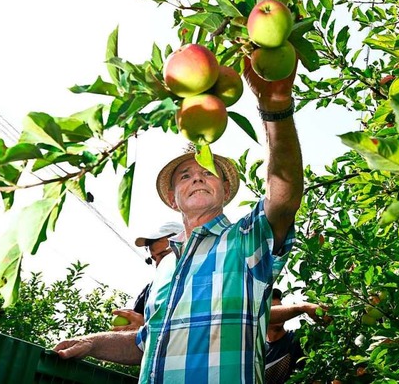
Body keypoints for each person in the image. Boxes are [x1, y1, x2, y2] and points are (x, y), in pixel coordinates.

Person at [54, 57, 303, 384]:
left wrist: (276, 108)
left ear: (225, 190)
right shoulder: (165, 268)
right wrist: (93, 342)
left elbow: (284, 195)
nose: (197, 178)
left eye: (206, 172)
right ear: (173, 198)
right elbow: (149, 342)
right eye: (185, 175)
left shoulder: (245, 240)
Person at [111, 222, 183, 332]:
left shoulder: (209, 281)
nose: (158, 263)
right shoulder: (149, 293)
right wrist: (142, 327)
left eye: (164, 255)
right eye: (154, 259)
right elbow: (135, 330)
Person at [265, 289, 324, 384]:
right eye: (275, 310)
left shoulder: (299, 339)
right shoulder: (257, 350)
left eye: (280, 308)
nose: (281, 314)